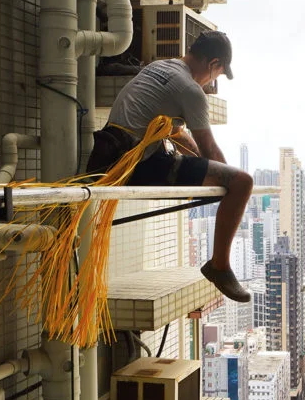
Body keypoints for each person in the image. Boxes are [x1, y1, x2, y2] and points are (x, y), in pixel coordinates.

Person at [86, 30, 253, 302]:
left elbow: (175, 132)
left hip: (111, 154)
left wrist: (205, 166)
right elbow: (208, 148)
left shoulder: (160, 67)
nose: (212, 83)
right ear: (213, 64)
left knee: (230, 178)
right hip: (139, 164)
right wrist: (228, 182)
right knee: (243, 182)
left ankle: (219, 264)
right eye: (217, 75)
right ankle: (219, 266)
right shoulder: (190, 89)